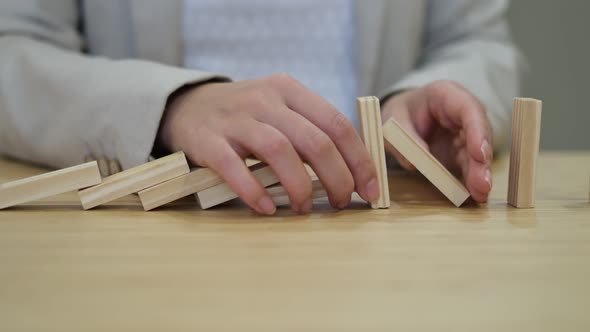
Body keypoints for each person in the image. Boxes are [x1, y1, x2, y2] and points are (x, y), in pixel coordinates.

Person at [0, 0, 521, 214]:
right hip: (167, 216)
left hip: (372, 212)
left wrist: (418, 97)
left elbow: (473, 41)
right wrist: (173, 104)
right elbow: (13, 47)